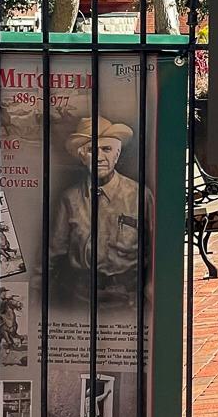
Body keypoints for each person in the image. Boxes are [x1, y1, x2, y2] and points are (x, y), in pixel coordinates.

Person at [52, 115, 154, 309]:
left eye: (106, 149)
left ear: (117, 154)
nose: (99, 157)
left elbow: (157, 247)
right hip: (82, 298)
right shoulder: (69, 199)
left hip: (128, 299)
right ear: (82, 157)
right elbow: (53, 253)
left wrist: (150, 289)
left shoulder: (140, 195)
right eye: (91, 150)